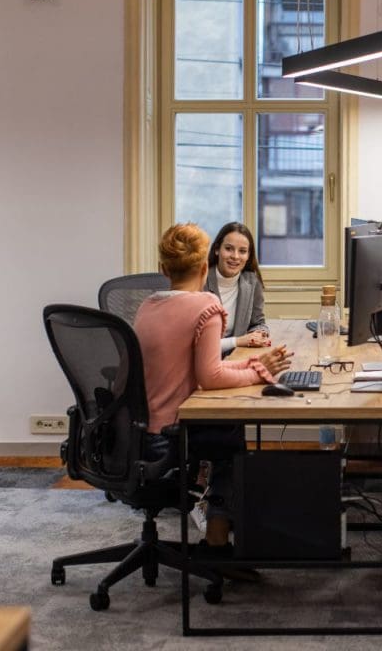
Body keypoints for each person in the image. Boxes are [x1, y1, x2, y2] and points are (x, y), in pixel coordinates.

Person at [134, 223, 292, 550]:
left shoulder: (147, 306)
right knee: (231, 435)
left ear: (163, 269)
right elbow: (211, 377)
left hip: (140, 432)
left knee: (225, 425)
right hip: (172, 433)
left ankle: (220, 520)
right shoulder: (206, 307)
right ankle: (218, 541)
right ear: (206, 265)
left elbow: (206, 367)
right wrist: (259, 370)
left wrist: (253, 366)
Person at [204, 222, 270, 354]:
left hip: (235, 357)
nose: (235, 256)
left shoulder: (252, 282)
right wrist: (239, 341)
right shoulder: (200, 281)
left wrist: (258, 333)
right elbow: (196, 342)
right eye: (228, 248)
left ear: (248, 255)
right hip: (205, 360)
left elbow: (258, 322)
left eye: (242, 251)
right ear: (217, 249)